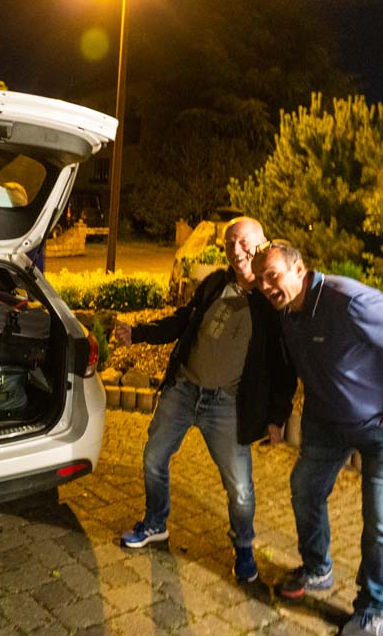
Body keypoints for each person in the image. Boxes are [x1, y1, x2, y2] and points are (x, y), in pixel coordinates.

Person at [251, 240, 383, 636]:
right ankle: (317, 570)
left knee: (380, 520)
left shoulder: (348, 301)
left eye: (273, 275)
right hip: (328, 424)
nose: (266, 286)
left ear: (298, 268)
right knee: (305, 488)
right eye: (260, 279)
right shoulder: (286, 310)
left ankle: (372, 609)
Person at [115, 217, 297, 583]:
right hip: (184, 390)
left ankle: (244, 548)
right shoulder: (215, 282)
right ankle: (155, 523)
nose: (235, 250)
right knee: (153, 458)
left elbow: (284, 366)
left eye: (243, 242)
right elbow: (184, 320)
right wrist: (139, 333)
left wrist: (277, 416)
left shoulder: (271, 301)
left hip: (227, 404)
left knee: (240, 488)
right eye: (229, 242)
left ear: (262, 244)